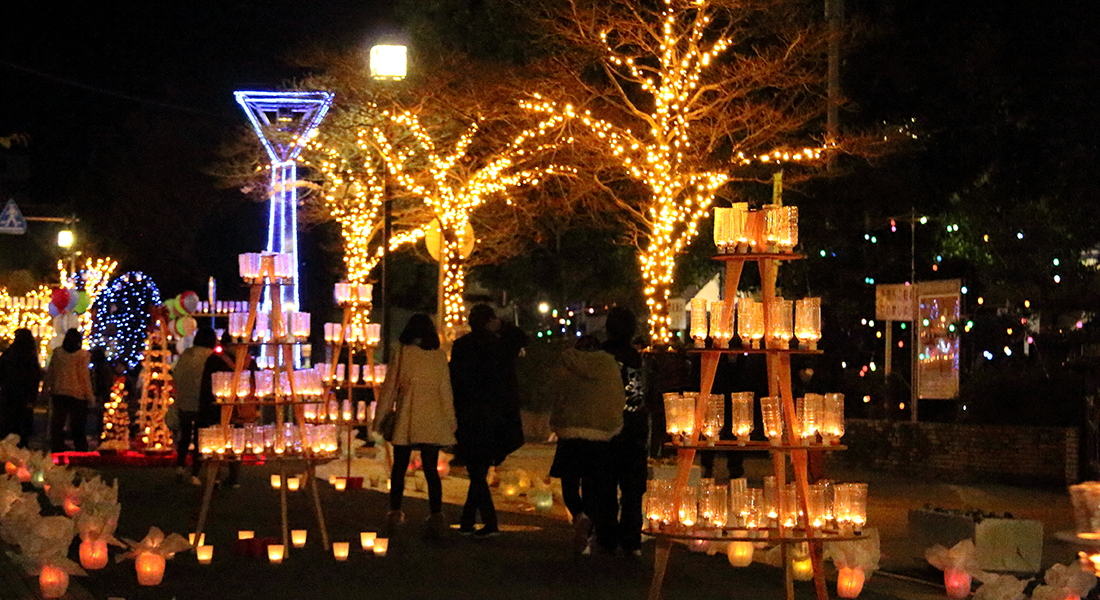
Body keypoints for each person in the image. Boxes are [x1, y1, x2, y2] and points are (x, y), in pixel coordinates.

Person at [373, 313, 456, 539]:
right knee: (431, 469)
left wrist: (379, 419)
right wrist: (451, 422)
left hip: (406, 418)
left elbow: (390, 389)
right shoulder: (439, 357)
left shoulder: (402, 354)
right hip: (433, 419)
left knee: (400, 467)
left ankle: (395, 510)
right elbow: (445, 392)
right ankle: (436, 513)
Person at [450, 304, 527, 537]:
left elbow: (455, 381)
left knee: (477, 469)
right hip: (497, 416)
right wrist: (502, 325)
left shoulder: (462, 346)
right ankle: (470, 521)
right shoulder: (500, 345)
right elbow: (522, 338)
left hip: (470, 415)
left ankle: (482, 522)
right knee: (478, 471)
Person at [549, 335, 626, 555]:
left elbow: (558, 395)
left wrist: (557, 422)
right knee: (594, 484)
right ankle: (590, 526)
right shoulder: (609, 365)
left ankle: (579, 515)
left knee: (570, 481)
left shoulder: (566, 363)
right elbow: (618, 399)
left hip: (570, 431)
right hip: (600, 434)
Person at [602, 307, 648, 557]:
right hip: (632, 430)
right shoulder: (637, 359)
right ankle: (631, 539)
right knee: (632, 490)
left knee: (605, 486)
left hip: (605, 429)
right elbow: (639, 397)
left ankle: (607, 537)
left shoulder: (599, 357)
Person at [198, 332, 252, 488]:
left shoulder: (215, 360)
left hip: (217, 409)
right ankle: (234, 478)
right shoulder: (247, 361)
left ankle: (215, 478)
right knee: (236, 441)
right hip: (239, 408)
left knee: (217, 441)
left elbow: (207, 386)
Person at [172, 327, 216, 485]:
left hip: (184, 401)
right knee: (199, 439)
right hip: (202, 402)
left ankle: (180, 467)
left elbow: (176, 374)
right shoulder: (210, 357)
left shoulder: (186, 355)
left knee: (184, 436)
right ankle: (195, 473)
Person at [44, 328, 94, 453]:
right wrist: (90, 396)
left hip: (59, 392)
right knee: (77, 424)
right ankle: (80, 447)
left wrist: (47, 387)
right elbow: (84, 377)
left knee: (58, 422)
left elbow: (51, 372)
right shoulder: (83, 355)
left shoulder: (58, 353)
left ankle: (57, 446)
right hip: (77, 394)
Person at [0, 328, 42, 447]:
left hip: (8, 394)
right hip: (24, 396)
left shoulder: (9, 354)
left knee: (7, 426)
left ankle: (7, 451)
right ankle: (21, 450)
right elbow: (34, 377)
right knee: (22, 427)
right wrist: (32, 397)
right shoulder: (30, 356)